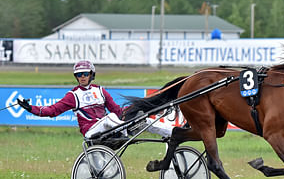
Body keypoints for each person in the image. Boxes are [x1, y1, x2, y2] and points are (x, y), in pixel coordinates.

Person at [17, 60, 173, 139]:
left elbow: (117, 110)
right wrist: (31, 108)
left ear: (91, 75)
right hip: (91, 131)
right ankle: (125, 131)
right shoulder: (73, 95)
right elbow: (52, 111)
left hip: (109, 128)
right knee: (109, 118)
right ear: (76, 77)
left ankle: (173, 132)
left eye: (85, 74)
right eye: (79, 75)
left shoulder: (100, 90)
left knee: (142, 119)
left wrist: (132, 112)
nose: (82, 77)